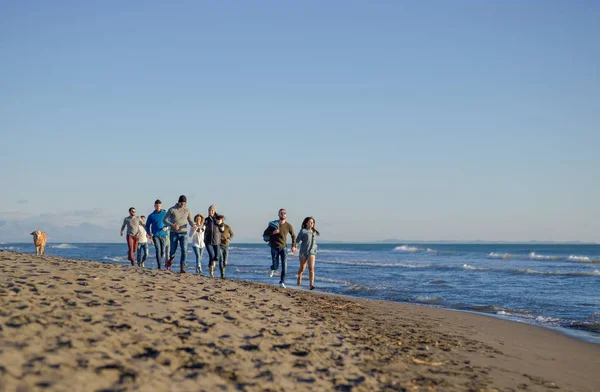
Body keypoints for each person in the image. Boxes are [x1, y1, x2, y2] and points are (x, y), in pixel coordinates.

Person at [263, 208, 297, 288]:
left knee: (284, 266)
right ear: (278, 215)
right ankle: (272, 268)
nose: (283, 214)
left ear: (286, 215)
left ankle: (282, 282)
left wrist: (294, 245)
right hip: (274, 247)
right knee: (276, 265)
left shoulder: (288, 226)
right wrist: (273, 232)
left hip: (283, 248)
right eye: (281, 213)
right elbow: (265, 233)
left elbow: (293, 235)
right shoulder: (273, 224)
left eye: (284, 213)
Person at [163, 195, 197, 273]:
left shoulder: (187, 210)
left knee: (184, 250)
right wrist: (172, 225)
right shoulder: (172, 210)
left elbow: (190, 220)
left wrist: (193, 225)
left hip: (184, 233)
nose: (183, 204)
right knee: (172, 250)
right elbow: (164, 220)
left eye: (184, 203)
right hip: (174, 233)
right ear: (179, 202)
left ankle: (182, 267)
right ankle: (171, 259)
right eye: (182, 203)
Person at [296, 217, 320, 290]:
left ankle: (311, 284)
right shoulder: (303, 231)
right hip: (303, 252)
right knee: (302, 268)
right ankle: (299, 277)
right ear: (306, 223)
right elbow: (297, 240)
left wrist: (315, 246)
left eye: (313, 222)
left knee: (311, 268)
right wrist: (295, 246)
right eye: (310, 222)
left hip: (312, 252)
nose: (312, 223)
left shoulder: (314, 232)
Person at [145, 199, 168, 269]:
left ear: (161, 206)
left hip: (163, 234)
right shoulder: (151, 215)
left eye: (159, 206)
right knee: (158, 250)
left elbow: (170, 223)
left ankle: (163, 253)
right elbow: (147, 225)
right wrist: (149, 233)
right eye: (157, 206)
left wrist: (166, 227)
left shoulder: (165, 214)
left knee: (162, 251)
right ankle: (159, 266)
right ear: (154, 206)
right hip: (155, 235)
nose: (158, 207)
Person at [204, 205, 225, 278]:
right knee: (211, 256)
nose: (210, 212)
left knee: (217, 257)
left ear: (214, 211)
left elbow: (222, 230)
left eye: (212, 210)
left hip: (216, 241)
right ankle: (211, 272)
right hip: (208, 241)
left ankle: (213, 263)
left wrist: (220, 224)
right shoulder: (206, 220)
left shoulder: (218, 219)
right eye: (209, 210)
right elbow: (203, 228)